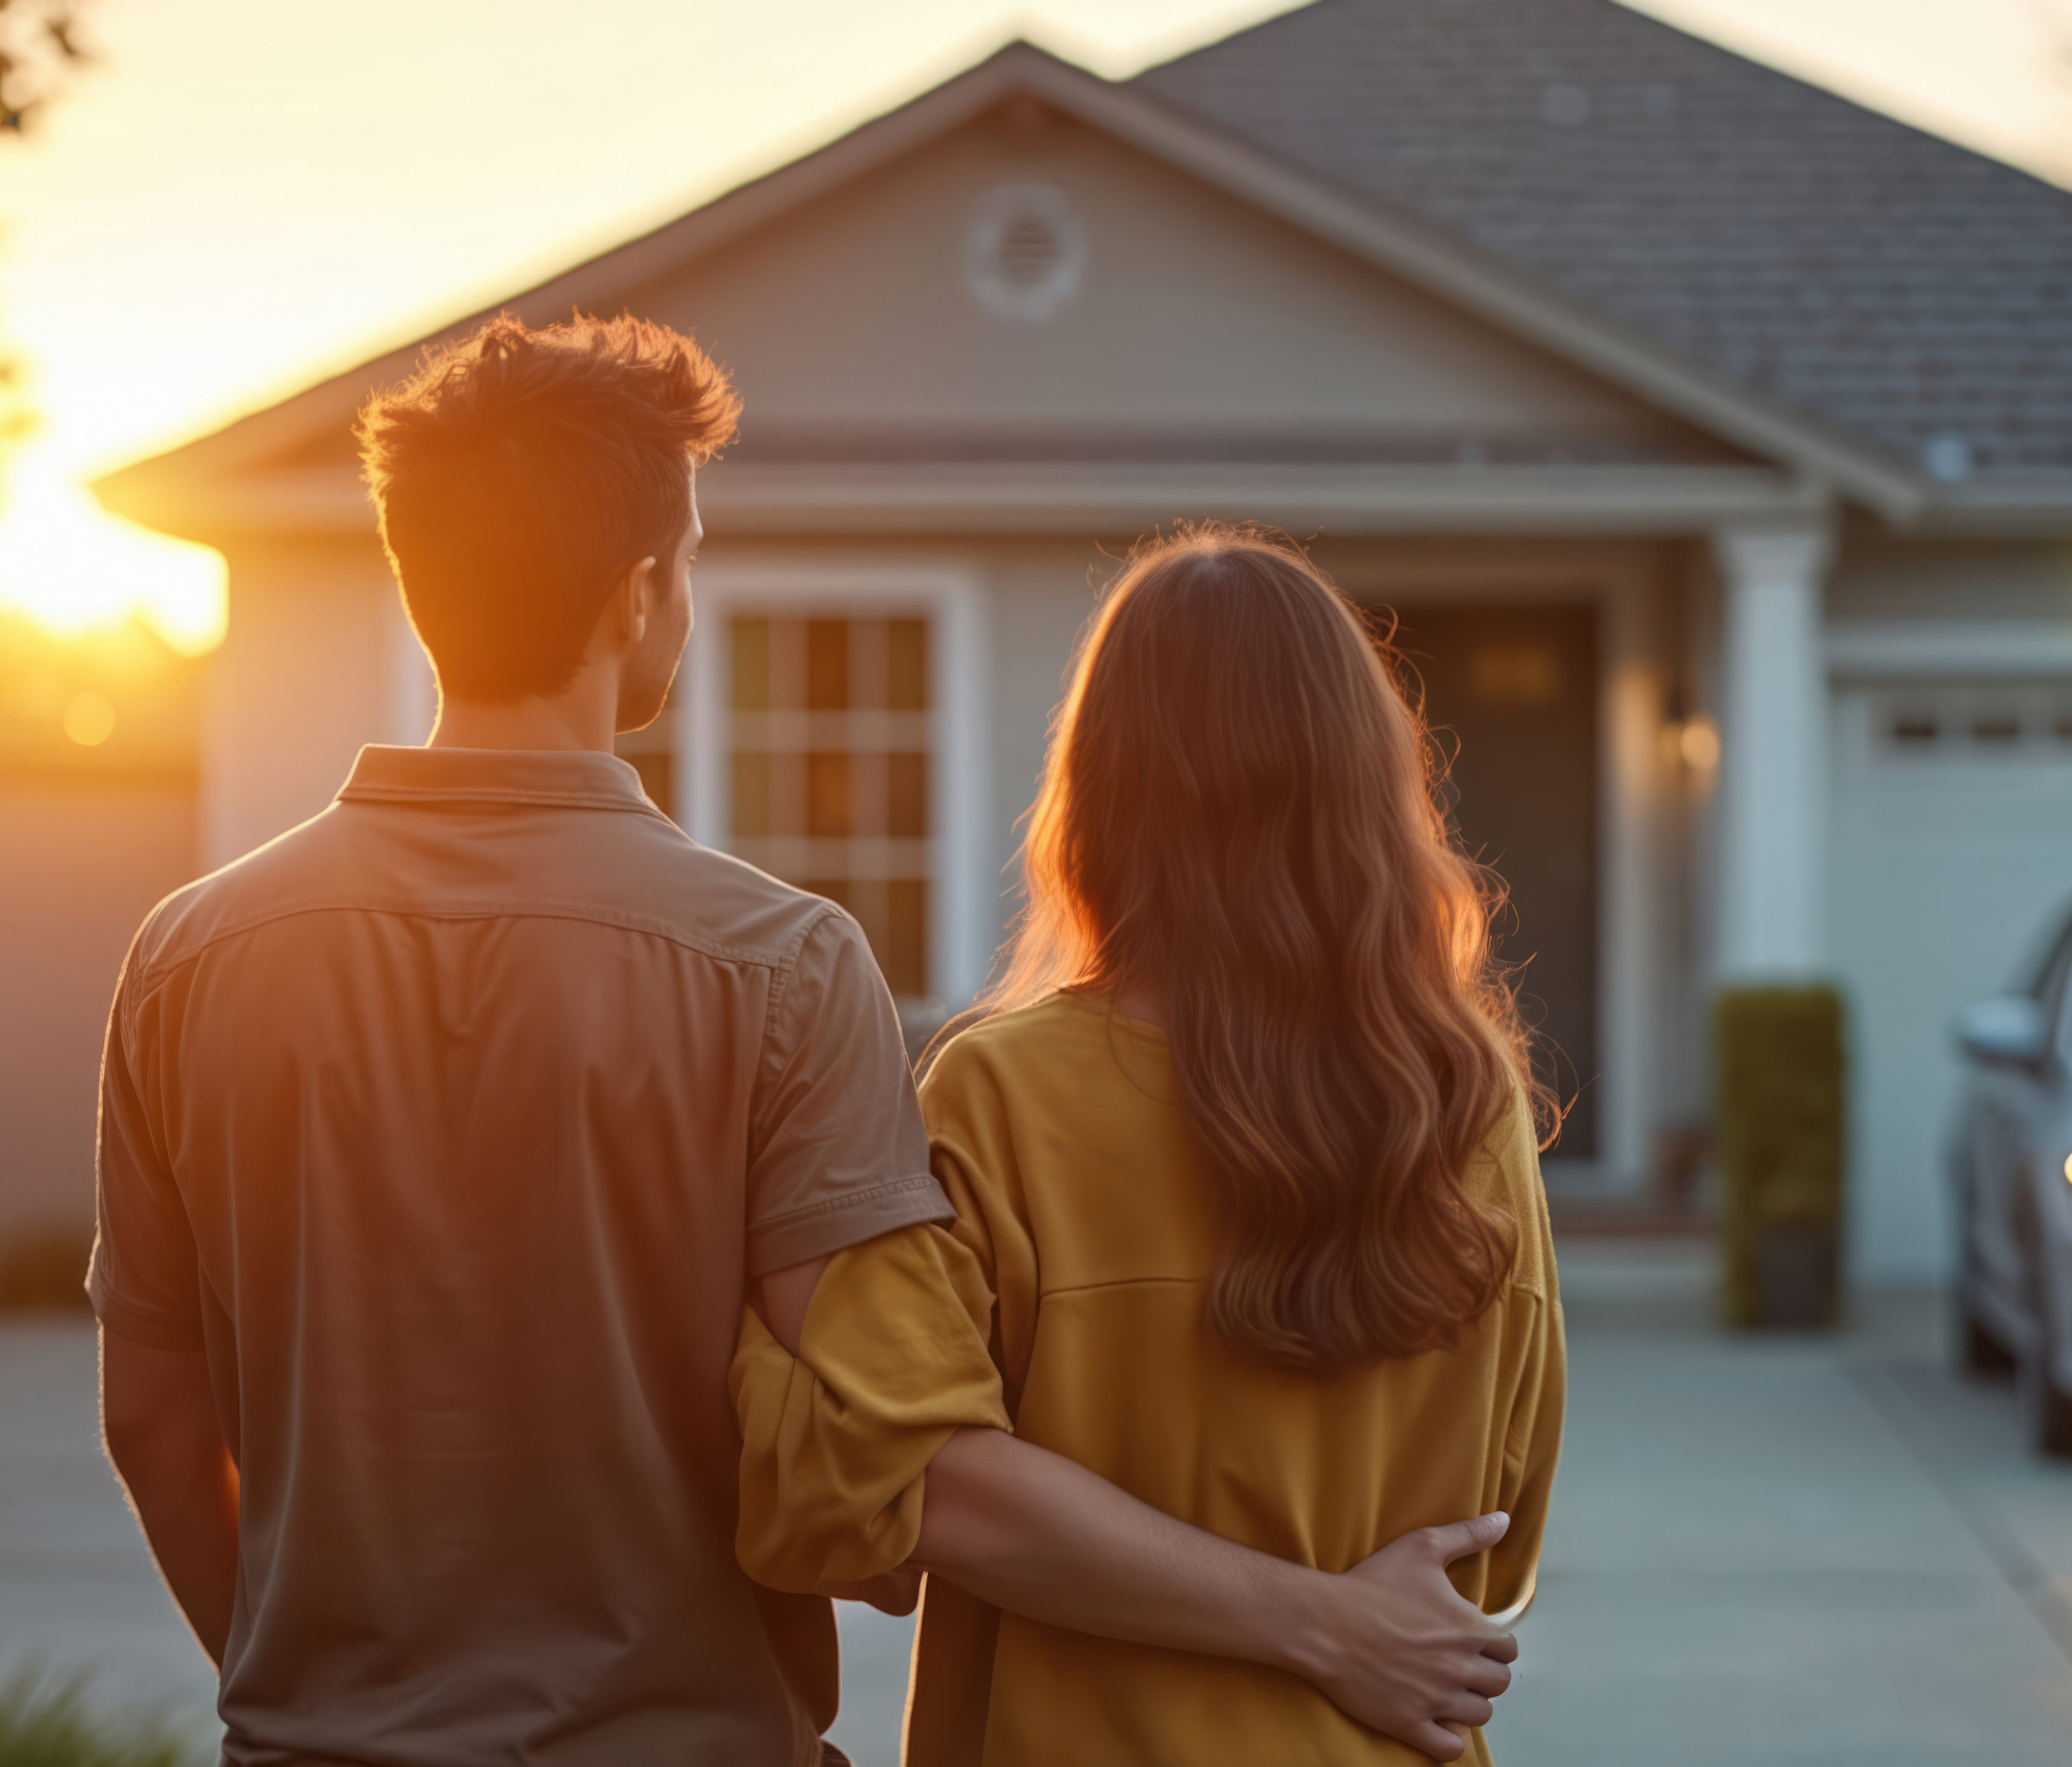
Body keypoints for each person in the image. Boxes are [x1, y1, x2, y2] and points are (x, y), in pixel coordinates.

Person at [88, 316, 1517, 1766]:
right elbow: (875, 1461)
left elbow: (151, 1417)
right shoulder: (776, 964)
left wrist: (305, 1692)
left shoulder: (187, 960)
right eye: (692, 561)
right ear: (641, 593)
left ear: (419, 581)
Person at [731, 526, 1569, 1765]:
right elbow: (1499, 1530)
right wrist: (1332, 1620)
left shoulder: (1000, 1092)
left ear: (1103, 786)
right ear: (1363, 785)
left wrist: (761, 1310)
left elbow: (881, 1491)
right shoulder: (1469, 1102)